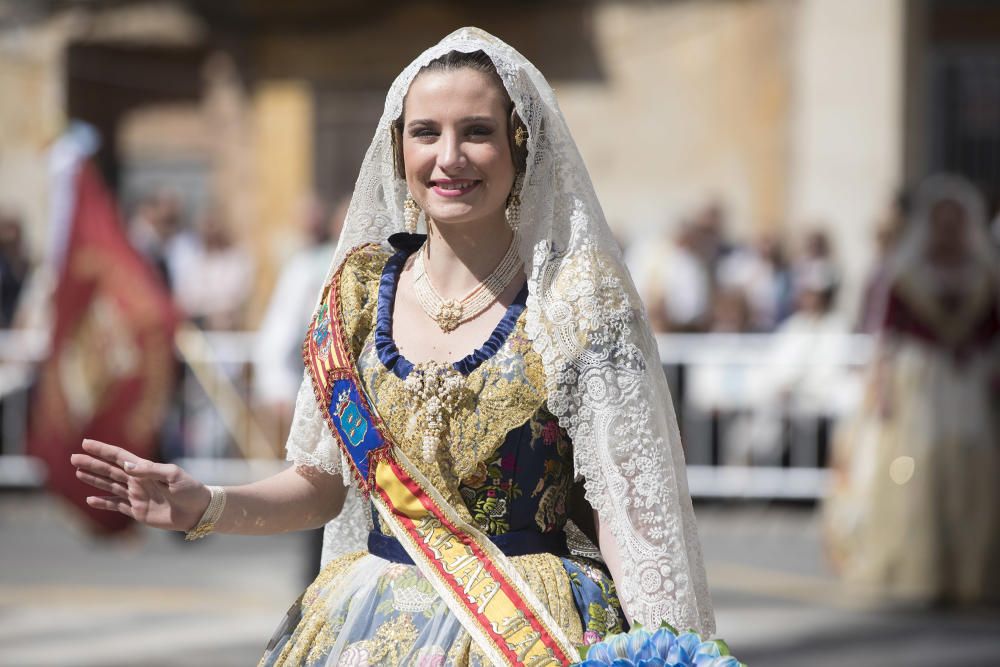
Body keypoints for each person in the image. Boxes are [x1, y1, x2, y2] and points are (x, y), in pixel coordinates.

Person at [71, 28, 714, 665]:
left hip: (527, 628)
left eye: (478, 132)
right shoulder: (355, 293)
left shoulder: (575, 301)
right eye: (427, 132)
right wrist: (206, 505)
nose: (450, 156)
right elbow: (324, 484)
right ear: (398, 148)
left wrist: (667, 649)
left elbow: (634, 512)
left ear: (522, 146)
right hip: (365, 625)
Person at [825, 175, 1000, 605]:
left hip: (969, 383)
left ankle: (969, 573)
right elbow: (885, 337)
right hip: (919, 383)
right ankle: (920, 570)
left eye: (955, 222)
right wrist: (881, 388)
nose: (948, 231)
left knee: (969, 471)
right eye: (941, 221)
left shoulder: (985, 274)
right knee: (913, 471)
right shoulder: (906, 274)